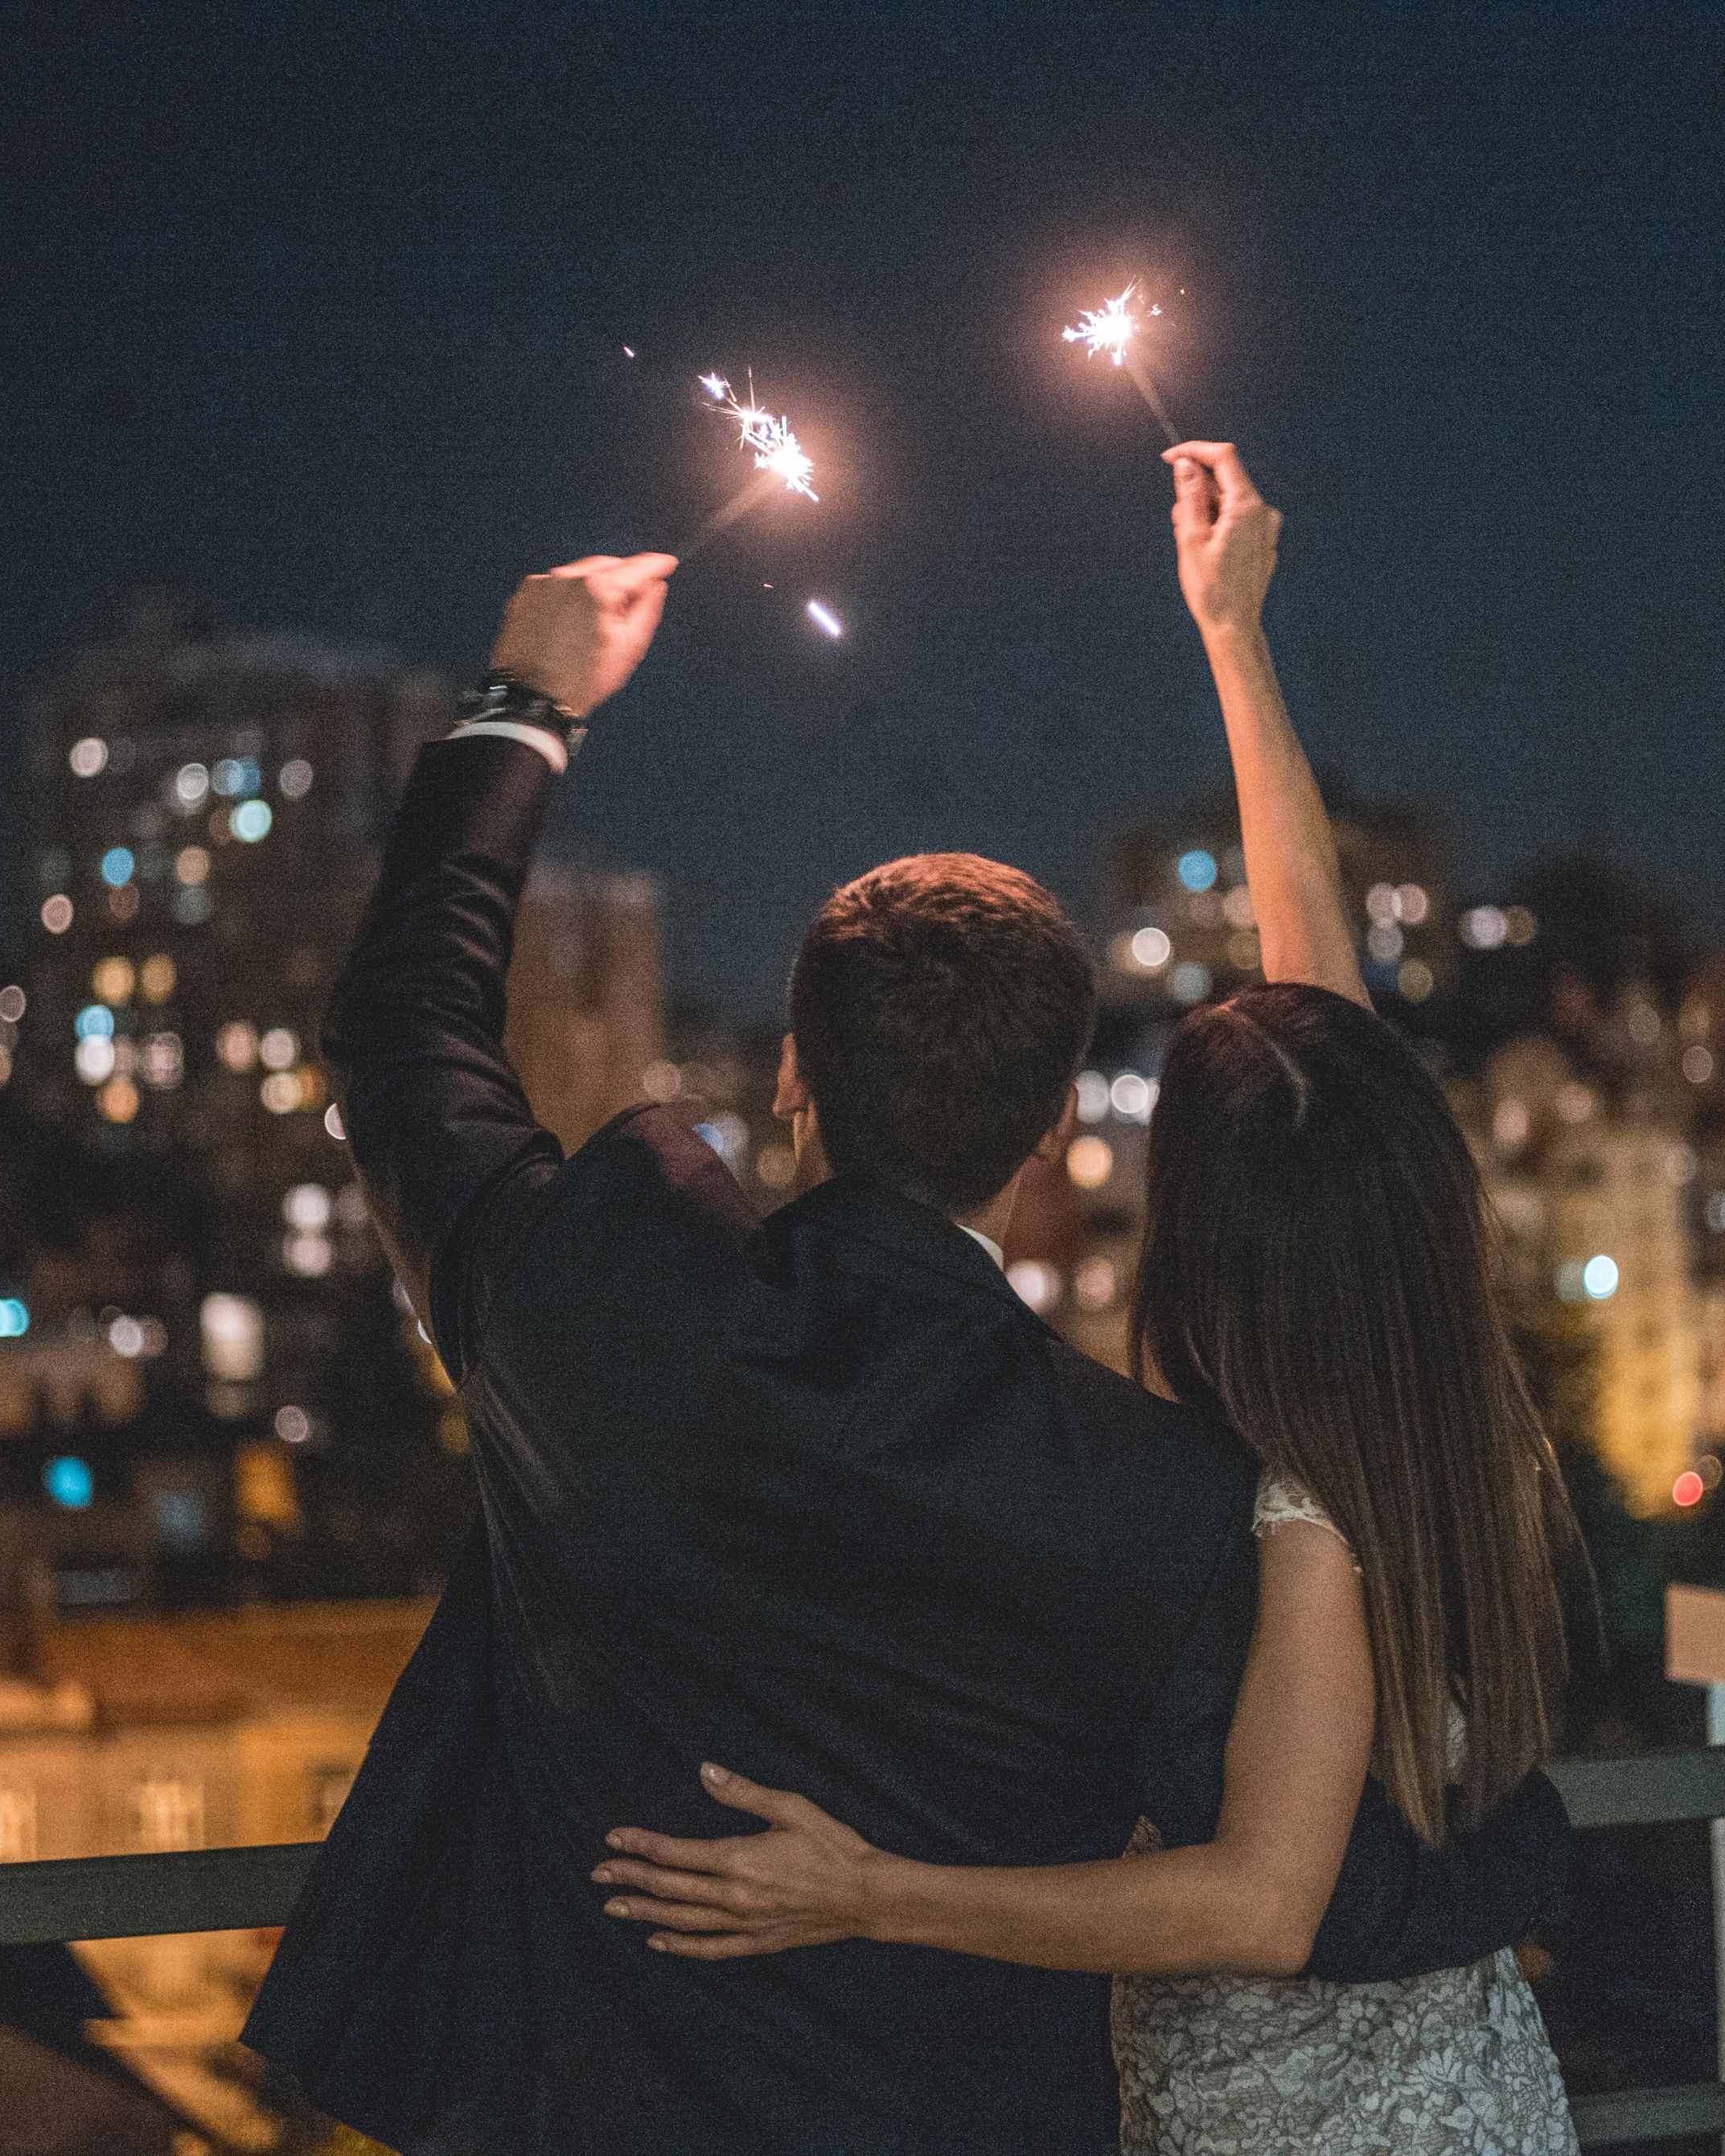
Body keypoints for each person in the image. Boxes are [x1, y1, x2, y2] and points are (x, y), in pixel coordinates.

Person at [242, 518, 1569, 2154]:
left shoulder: (581, 1297)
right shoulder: (1161, 1496)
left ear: (792, 1075)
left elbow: (400, 1031)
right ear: (1041, 1155)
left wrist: (527, 701)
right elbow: (1302, 1870)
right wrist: (1230, 634)